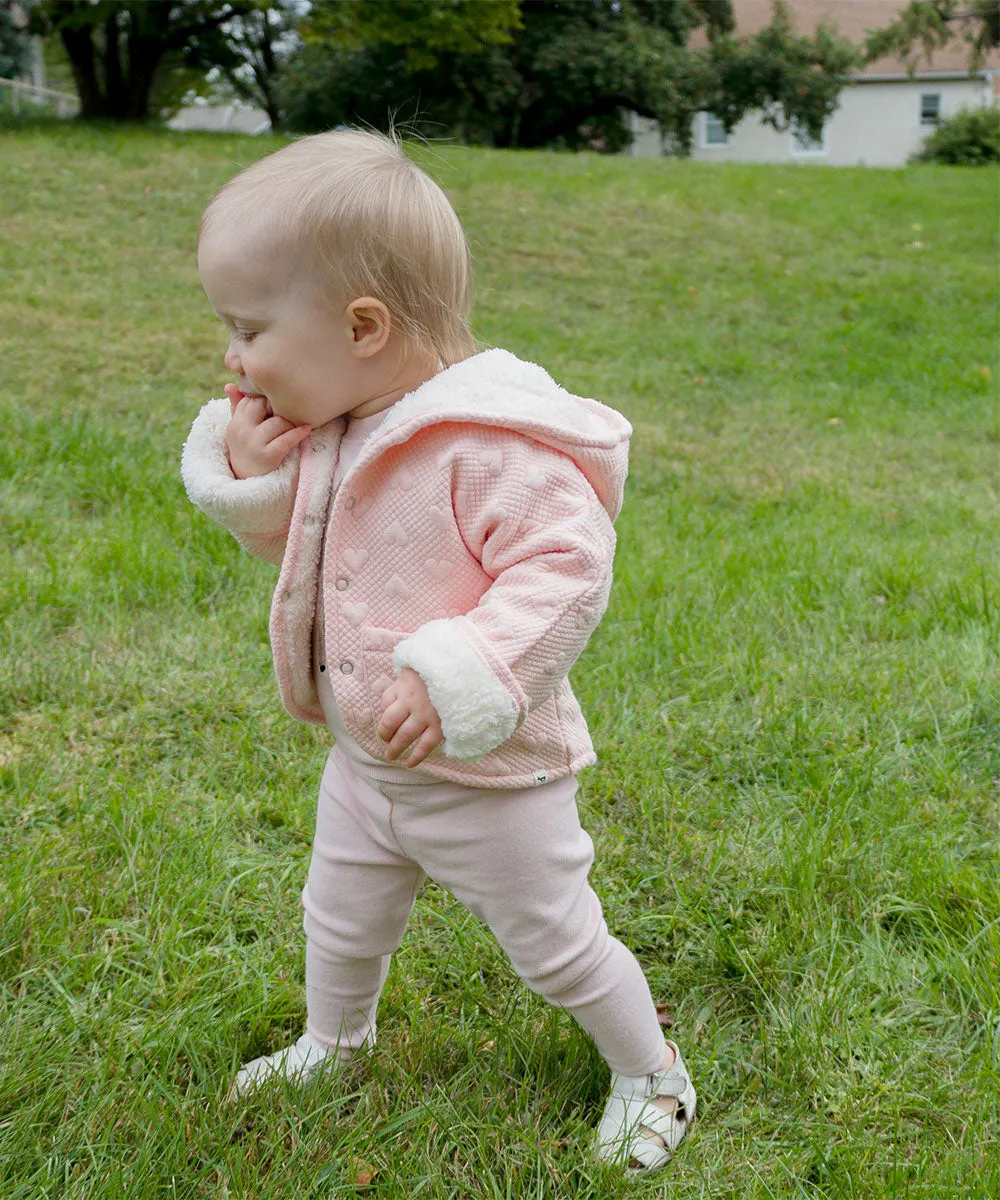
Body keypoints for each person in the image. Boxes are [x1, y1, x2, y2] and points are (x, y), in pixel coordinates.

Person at [180, 129, 696, 1175]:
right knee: (338, 913)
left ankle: (654, 1075)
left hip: (487, 776)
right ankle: (336, 1040)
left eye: (247, 329)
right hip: (369, 764)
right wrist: (257, 480)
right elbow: (316, 557)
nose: (231, 357)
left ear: (361, 326)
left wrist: (468, 667)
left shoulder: (491, 446)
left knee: (554, 940)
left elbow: (565, 571)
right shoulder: (342, 424)